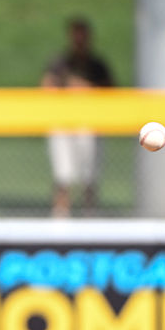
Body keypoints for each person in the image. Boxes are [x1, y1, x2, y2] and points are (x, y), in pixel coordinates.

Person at [40, 16, 114, 218]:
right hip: (64, 124)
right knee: (63, 175)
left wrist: (87, 89)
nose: (79, 39)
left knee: (89, 176)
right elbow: (46, 88)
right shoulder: (61, 62)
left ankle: (90, 216)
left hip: (88, 125)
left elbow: (111, 93)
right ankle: (61, 216)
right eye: (76, 34)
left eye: (83, 34)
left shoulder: (97, 65)